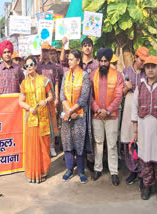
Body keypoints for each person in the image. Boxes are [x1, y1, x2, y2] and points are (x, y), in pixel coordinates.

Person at [131, 55, 157, 201]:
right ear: (144, 69)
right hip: (143, 127)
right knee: (145, 158)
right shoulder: (140, 85)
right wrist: (135, 131)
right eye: (148, 67)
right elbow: (135, 108)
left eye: (153, 66)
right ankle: (147, 186)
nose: (151, 70)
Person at [19, 55, 58, 183]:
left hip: (43, 119)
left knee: (43, 146)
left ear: (36, 66)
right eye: (27, 66)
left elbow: (51, 96)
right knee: (31, 147)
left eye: (31, 64)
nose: (29, 67)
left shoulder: (44, 80)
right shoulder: (24, 83)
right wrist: (29, 108)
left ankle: (42, 171)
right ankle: (32, 173)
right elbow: (20, 101)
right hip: (31, 120)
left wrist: (45, 101)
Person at [91, 48, 123, 186]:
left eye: (106, 61)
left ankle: (114, 172)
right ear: (98, 61)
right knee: (98, 143)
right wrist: (98, 110)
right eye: (101, 61)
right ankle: (97, 169)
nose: (103, 63)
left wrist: (108, 111)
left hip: (112, 116)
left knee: (111, 144)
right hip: (97, 115)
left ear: (109, 61)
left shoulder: (118, 75)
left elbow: (118, 96)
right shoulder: (92, 75)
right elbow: (90, 96)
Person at [60, 50, 93, 184]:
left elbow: (84, 98)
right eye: (68, 60)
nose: (69, 62)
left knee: (79, 144)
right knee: (67, 142)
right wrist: (68, 111)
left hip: (79, 116)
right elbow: (62, 95)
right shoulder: (65, 75)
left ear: (78, 61)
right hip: (68, 115)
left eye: (72, 59)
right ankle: (69, 169)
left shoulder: (85, 76)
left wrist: (72, 111)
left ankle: (80, 171)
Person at [120, 46, 149, 185]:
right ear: (135, 57)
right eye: (141, 59)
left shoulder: (147, 73)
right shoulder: (126, 72)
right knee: (128, 140)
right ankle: (132, 170)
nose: (143, 63)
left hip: (143, 109)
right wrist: (127, 88)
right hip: (129, 107)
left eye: (145, 60)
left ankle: (143, 172)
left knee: (141, 140)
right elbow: (120, 94)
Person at [37, 42, 60, 157]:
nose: (45, 53)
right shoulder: (37, 66)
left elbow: (56, 82)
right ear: (41, 52)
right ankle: (43, 146)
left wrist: (56, 99)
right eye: (43, 51)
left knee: (52, 123)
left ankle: (51, 147)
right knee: (41, 122)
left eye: (47, 51)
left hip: (50, 98)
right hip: (40, 98)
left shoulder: (54, 66)